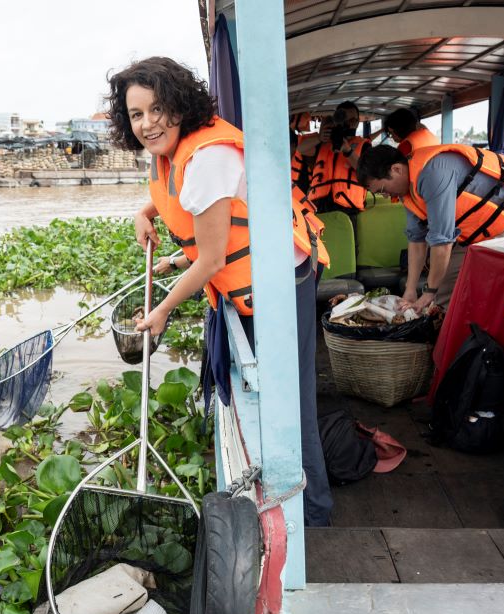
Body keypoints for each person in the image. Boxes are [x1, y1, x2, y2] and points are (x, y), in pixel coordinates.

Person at [106, 56, 334, 526]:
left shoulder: (208, 156)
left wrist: (164, 309)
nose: (148, 123)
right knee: (271, 396)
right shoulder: (177, 151)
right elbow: (174, 197)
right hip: (251, 279)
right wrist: (142, 214)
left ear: (179, 105)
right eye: (136, 114)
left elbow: (210, 260)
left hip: (278, 285)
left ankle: (313, 514)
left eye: (156, 109)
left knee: (290, 400)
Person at [356, 144, 504, 311]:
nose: (386, 196)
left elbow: (442, 242)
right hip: (481, 229)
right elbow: (416, 240)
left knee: (490, 288)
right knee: (445, 285)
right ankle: (446, 338)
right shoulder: (408, 190)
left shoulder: (433, 173)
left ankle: (475, 341)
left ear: (396, 169)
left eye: (382, 190)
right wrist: (410, 290)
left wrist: (428, 292)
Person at [299, 101, 370, 218]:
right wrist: (319, 137)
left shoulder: (363, 145)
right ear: (337, 120)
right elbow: (301, 149)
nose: (349, 124)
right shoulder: (323, 142)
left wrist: (348, 151)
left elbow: (366, 171)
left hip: (348, 208)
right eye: (345, 120)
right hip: (318, 205)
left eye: (353, 120)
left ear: (357, 122)